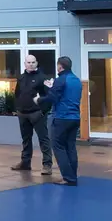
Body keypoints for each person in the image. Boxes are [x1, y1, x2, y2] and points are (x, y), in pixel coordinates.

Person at [34, 56, 82, 186]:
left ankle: (68, 178)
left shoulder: (61, 80)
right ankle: (73, 175)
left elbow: (53, 98)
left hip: (62, 118)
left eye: (57, 66)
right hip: (75, 118)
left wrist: (39, 100)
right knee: (71, 147)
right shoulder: (77, 80)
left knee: (58, 147)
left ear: (60, 67)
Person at [11, 55, 52, 175]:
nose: (31, 64)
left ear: (36, 63)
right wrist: (18, 108)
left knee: (43, 139)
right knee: (26, 139)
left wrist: (43, 111)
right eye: (28, 62)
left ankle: (47, 165)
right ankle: (25, 162)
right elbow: (17, 94)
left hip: (37, 113)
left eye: (33, 62)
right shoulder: (22, 78)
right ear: (25, 64)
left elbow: (48, 96)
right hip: (23, 113)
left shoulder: (43, 78)